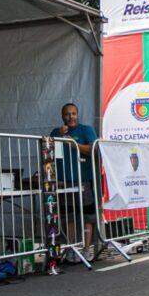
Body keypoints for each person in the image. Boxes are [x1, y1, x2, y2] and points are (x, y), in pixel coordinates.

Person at [49, 103, 98, 255]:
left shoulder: (86, 130)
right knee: (69, 217)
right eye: (67, 114)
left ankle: (87, 248)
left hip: (84, 180)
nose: (71, 117)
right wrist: (58, 137)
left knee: (87, 216)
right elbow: (48, 152)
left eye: (73, 113)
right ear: (62, 116)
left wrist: (73, 144)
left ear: (77, 114)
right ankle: (72, 248)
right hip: (64, 181)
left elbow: (93, 149)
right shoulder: (55, 132)